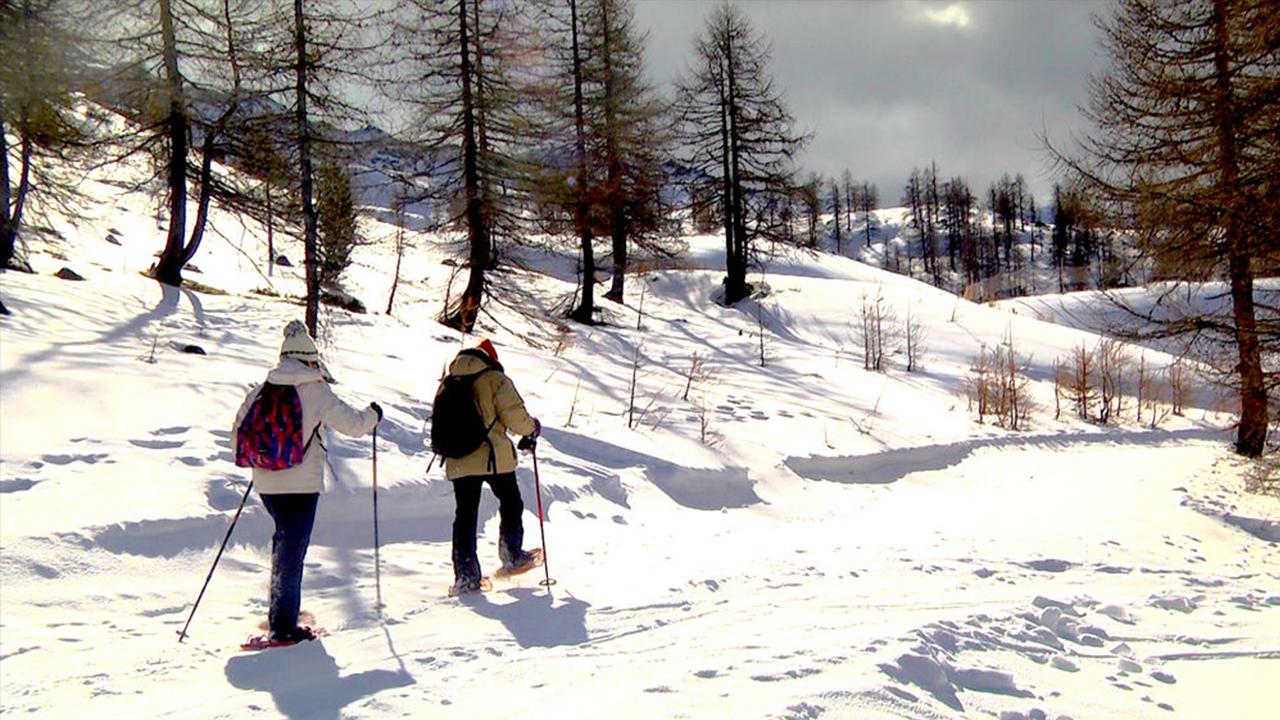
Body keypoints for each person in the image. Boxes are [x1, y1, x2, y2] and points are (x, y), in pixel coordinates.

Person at [232, 320, 381, 642]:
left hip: (266, 483)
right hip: (300, 484)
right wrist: (374, 414)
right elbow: (353, 425)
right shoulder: (315, 389)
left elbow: (237, 435)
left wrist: (264, 457)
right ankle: (284, 626)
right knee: (291, 550)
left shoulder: (262, 389)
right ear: (310, 359)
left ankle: (282, 610)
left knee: (284, 543)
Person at [441, 339, 541, 595]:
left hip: (458, 458)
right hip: (492, 457)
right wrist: (532, 429)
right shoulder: (495, 378)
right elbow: (516, 418)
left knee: (465, 515)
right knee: (511, 502)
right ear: (491, 358)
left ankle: (466, 576)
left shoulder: (449, 380)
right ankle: (512, 556)